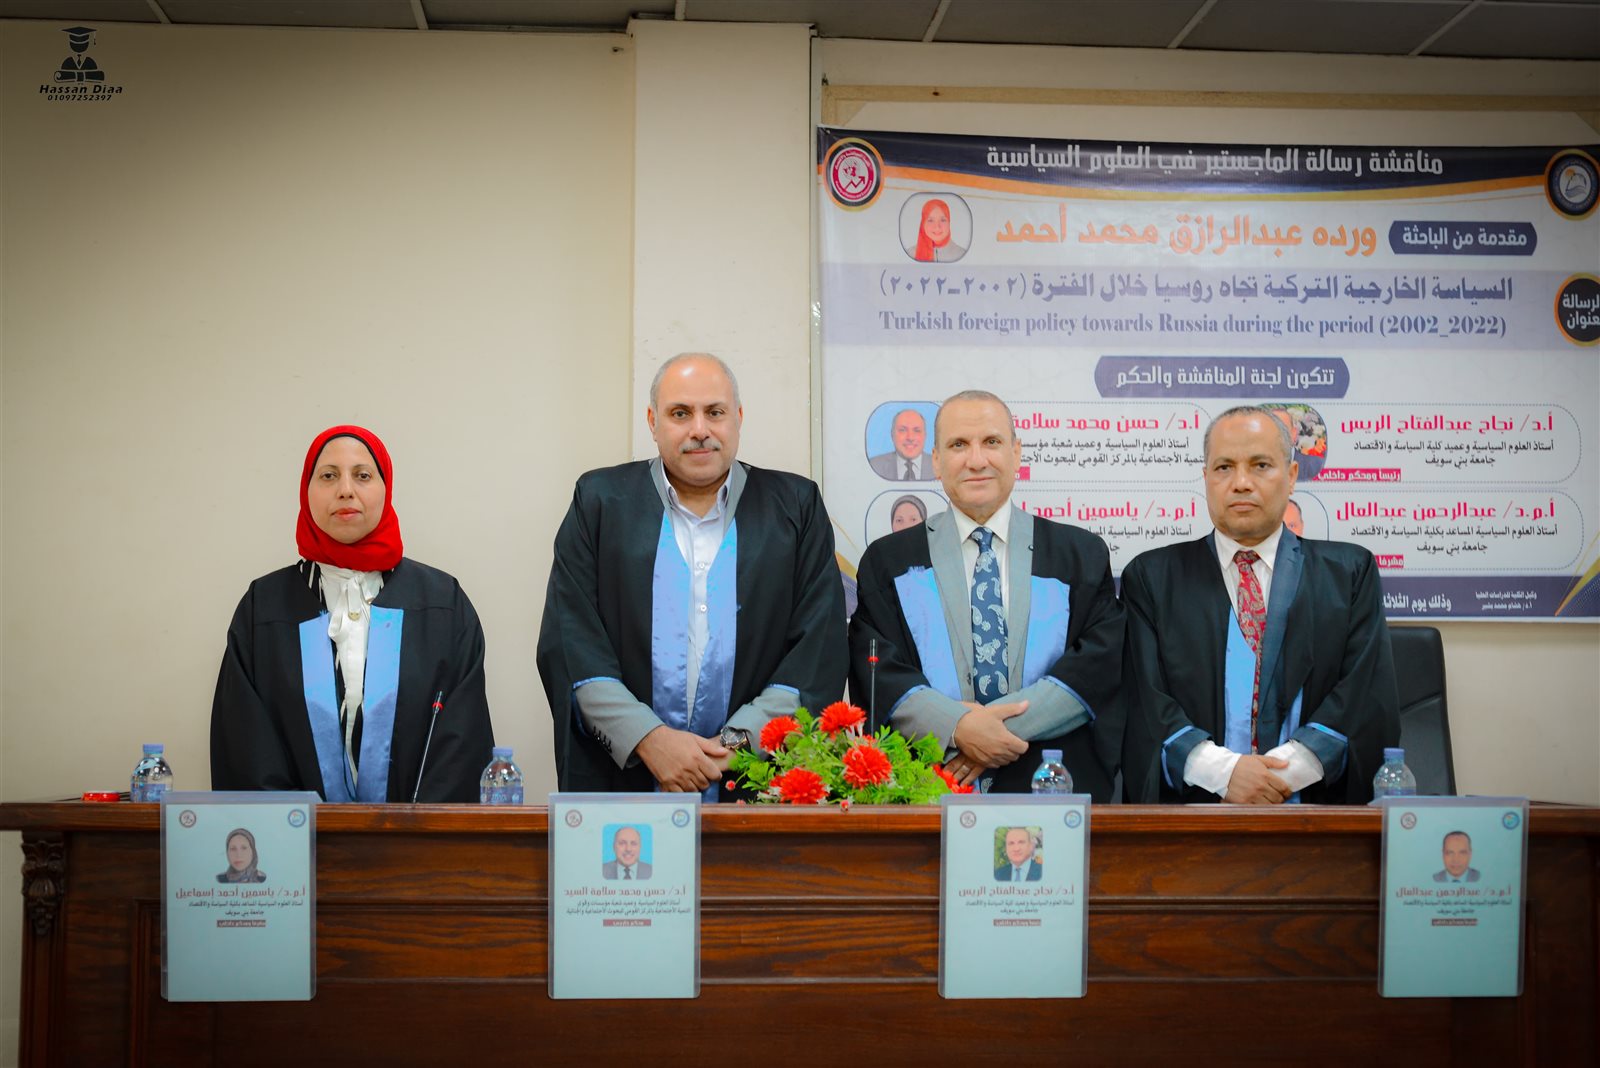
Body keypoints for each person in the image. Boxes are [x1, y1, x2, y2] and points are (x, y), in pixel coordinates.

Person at [538, 352, 847, 798]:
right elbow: (572, 643)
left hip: (755, 783)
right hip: (625, 783)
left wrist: (733, 747)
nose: (699, 429)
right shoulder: (600, 503)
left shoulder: (795, 507)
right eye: (680, 413)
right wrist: (649, 739)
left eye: (715, 412)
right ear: (653, 422)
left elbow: (817, 650)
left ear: (738, 418)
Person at [848, 390, 1125, 800]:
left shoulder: (1078, 555)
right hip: (929, 790)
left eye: (991, 442)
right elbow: (878, 671)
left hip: (1050, 789)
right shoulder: (889, 561)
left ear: (1016, 453)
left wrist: (991, 732)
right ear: (936, 461)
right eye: (958, 445)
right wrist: (956, 727)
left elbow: (1098, 665)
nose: (976, 460)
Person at [1122, 406, 1399, 805]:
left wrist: (1278, 776)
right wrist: (1225, 774)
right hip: (1194, 817)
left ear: (1291, 476)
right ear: (1205, 477)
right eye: (1224, 467)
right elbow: (1145, 701)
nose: (1241, 483)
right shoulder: (1152, 579)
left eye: (1260, 465)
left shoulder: (1348, 574)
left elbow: (1363, 694)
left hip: (1315, 818)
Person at [210, 425, 495, 803]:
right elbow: (246, 746)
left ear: (386, 489)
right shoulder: (263, 607)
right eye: (328, 476)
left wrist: (415, 830)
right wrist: (295, 829)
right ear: (306, 491)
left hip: (417, 835)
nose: (345, 489)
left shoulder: (443, 603)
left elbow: (462, 740)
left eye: (362, 475)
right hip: (295, 837)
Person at [869, 408, 934, 480]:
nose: (910, 438)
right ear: (892, 435)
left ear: (925, 435)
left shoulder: (940, 465)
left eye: (917, 430)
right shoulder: (874, 465)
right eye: (902, 430)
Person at [909, 198, 966, 263]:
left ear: (949, 222)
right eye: (930, 220)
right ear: (923, 223)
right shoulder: (911, 254)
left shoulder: (961, 254)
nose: (937, 227)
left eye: (943, 220)